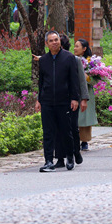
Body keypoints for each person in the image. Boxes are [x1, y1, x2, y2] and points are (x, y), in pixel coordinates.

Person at [34, 31, 80, 172]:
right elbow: (41, 81)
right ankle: (48, 160)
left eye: (56, 39)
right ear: (46, 43)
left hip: (64, 100)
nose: (54, 42)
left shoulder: (69, 57)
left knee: (66, 131)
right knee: (48, 132)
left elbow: (74, 80)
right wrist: (39, 99)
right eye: (51, 40)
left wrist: (75, 98)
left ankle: (70, 156)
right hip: (47, 101)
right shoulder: (43, 60)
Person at [61, 35, 88, 164]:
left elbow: (82, 80)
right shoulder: (51, 59)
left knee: (73, 127)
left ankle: (76, 151)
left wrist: (84, 98)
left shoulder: (74, 60)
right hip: (58, 99)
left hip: (73, 98)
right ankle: (62, 156)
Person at [74, 39, 97, 152]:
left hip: (87, 92)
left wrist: (86, 77)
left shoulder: (91, 62)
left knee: (85, 117)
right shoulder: (72, 60)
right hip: (74, 91)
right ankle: (75, 140)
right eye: (74, 46)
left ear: (84, 49)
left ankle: (84, 141)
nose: (75, 48)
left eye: (77, 46)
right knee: (75, 117)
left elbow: (95, 81)